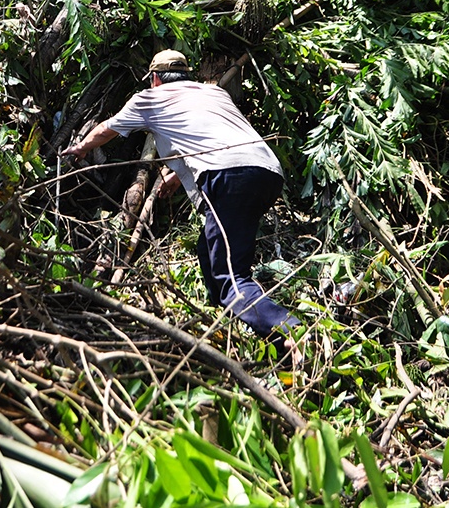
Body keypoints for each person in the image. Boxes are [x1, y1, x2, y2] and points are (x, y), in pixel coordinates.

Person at [62, 49, 300, 349]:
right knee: (208, 250)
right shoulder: (214, 94)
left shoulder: (150, 98)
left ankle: (292, 332)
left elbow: (107, 129)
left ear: (155, 79)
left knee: (230, 277)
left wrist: (81, 148)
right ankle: (228, 325)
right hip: (266, 173)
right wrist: (175, 176)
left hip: (227, 177)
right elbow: (209, 135)